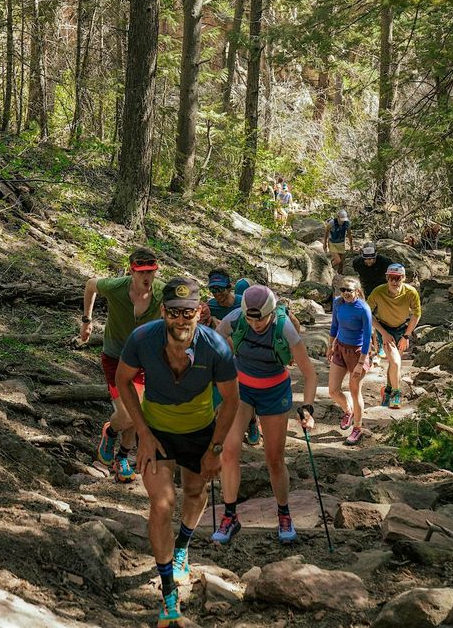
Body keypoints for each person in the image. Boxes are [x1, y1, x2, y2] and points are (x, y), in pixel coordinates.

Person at [116, 277, 239, 628]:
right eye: (173, 312)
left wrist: (215, 450)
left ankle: (183, 545)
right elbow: (123, 379)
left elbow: (231, 400)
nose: (180, 320)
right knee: (162, 502)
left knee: (196, 492)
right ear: (162, 312)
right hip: (156, 433)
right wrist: (141, 431)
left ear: (200, 312)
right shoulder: (142, 339)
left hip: (200, 432)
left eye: (188, 312)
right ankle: (169, 595)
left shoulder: (216, 347)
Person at [210, 285, 317, 546]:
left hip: (274, 391)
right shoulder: (235, 319)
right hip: (242, 389)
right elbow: (215, 341)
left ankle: (284, 514)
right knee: (229, 451)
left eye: (261, 319)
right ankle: (230, 515)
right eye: (251, 319)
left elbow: (310, 374)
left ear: (272, 312)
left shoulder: (285, 329)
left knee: (274, 459)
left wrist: (308, 408)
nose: (256, 325)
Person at [79, 247, 165, 482]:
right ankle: (110, 431)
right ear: (131, 271)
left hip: (143, 361)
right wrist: (87, 321)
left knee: (138, 412)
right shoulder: (116, 287)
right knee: (128, 414)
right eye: (141, 272)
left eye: (151, 271)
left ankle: (122, 457)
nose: (147, 277)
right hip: (116, 358)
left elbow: (183, 304)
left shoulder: (162, 292)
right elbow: (89, 285)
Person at [200, 269, 262, 447]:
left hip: (247, 354)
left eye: (220, 289)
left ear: (229, 287)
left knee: (245, 392)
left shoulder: (243, 304)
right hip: (222, 357)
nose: (217, 294)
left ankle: (252, 423)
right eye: (213, 290)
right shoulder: (210, 307)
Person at [365, 263, 421, 409]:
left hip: (402, 330)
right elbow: (367, 312)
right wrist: (382, 333)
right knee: (396, 362)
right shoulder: (378, 292)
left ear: (403, 278)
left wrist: (406, 336)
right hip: (383, 328)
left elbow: (416, 314)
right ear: (387, 278)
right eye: (391, 278)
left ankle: (387, 391)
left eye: (398, 278)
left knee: (394, 364)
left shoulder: (410, 292)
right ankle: (396, 395)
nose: (394, 282)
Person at [326, 277, 373, 445]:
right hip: (340, 348)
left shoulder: (363, 309)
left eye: (349, 290)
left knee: (355, 391)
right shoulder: (338, 303)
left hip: (358, 352)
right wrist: (330, 346)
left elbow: (367, 338)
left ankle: (357, 428)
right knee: (333, 390)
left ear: (357, 292)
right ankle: (348, 410)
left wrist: (361, 363)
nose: (345, 293)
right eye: (343, 290)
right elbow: (334, 326)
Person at [351, 242, 394, 357]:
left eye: (372, 259)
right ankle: (365, 344)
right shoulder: (357, 262)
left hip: (381, 292)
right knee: (366, 318)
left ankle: (380, 345)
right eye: (366, 259)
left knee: (379, 319)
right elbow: (354, 276)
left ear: (376, 255)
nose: (369, 261)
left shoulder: (385, 261)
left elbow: (393, 275)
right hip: (365, 292)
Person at [322, 209, 355, 274]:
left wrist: (351, 246)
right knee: (338, 261)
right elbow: (326, 232)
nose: (342, 221)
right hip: (332, 243)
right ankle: (328, 268)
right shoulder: (332, 223)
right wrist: (324, 244)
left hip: (341, 243)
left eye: (344, 220)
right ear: (338, 217)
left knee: (341, 262)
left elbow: (349, 235)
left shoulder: (347, 223)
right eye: (341, 219)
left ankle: (340, 275)